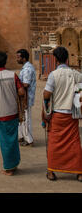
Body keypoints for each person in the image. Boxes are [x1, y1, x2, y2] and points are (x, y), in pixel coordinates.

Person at [43, 46, 82, 182]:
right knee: (74, 143)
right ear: (67, 59)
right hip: (72, 115)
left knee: (54, 143)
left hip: (58, 114)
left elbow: (47, 94)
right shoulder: (76, 74)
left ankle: (51, 171)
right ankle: (79, 171)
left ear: (56, 60)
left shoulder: (53, 75)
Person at [0, 51, 25, 176]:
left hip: (0, 113)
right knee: (12, 139)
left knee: (5, 141)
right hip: (13, 112)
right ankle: (14, 162)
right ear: (5, 61)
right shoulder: (13, 75)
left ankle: (8, 168)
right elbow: (22, 92)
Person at [16, 49, 36, 146]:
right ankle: (23, 137)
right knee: (23, 119)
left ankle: (29, 140)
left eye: (19, 57)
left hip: (26, 98)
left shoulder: (27, 69)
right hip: (24, 98)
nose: (17, 59)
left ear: (24, 58)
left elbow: (26, 85)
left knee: (26, 119)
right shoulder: (25, 68)